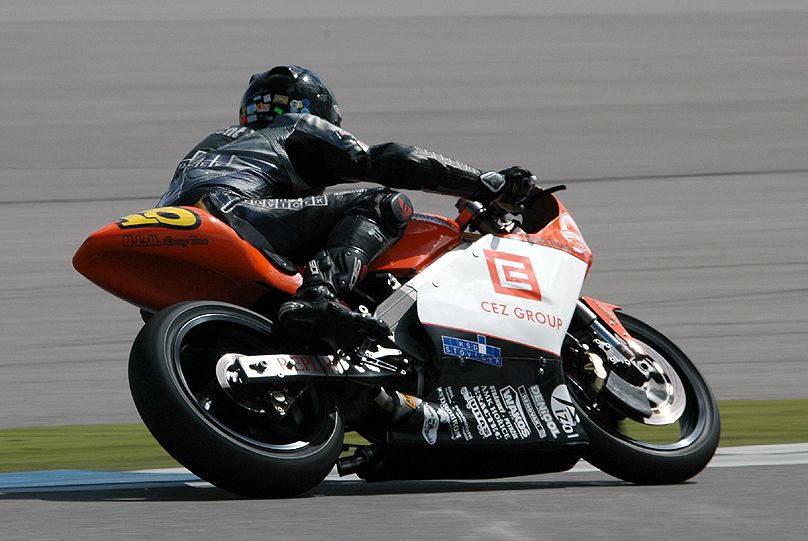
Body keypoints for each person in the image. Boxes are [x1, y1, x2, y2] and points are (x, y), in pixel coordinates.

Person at [158, 65, 536, 340]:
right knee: (384, 205)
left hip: (177, 228)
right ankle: (320, 296)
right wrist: (484, 183)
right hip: (235, 215)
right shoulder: (297, 124)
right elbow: (391, 160)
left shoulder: (213, 143)